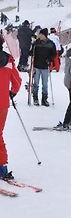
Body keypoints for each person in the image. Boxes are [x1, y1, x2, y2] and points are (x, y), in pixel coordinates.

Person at [0, 48, 21, 179]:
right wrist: (12, 92)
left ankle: (2, 167)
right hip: (2, 104)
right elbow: (17, 81)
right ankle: (2, 166)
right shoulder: (8, 60)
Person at [31, 28, 57, 107]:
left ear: (44, 35)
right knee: (36, 83)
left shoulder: (51, 44)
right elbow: (31, 52)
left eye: (41, 34)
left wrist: (49, 59)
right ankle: (35, 98)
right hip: (37, 66)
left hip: (45, 66)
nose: (39, 36)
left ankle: (44, 99)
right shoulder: (36, 43)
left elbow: (54, 54)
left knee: (45, 84)